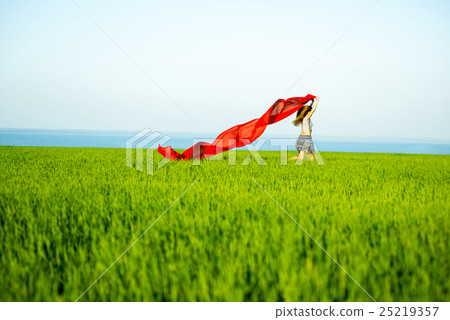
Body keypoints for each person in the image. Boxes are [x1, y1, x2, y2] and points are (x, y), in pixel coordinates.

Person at [289, 97, 319, 162]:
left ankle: (287, 160)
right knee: (311, 158)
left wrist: (312, 102)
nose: (311, 113)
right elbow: (313, 110)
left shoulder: (304, 119)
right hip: (307, 139)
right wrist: (317, 101)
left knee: (302, 158)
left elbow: (310, 109)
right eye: (310, 112)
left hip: (300, 138)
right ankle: (287, 160)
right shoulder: (306, 118)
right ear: (308, 112)